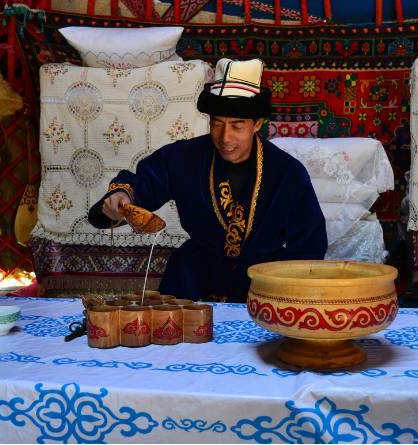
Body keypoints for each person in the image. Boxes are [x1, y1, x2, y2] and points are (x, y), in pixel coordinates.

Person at [88, 58, 327, 302]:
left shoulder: (288, 172)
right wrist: (123, 197)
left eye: (237, 126)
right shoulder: (184, 157)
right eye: (217, 124)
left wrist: (289, 297)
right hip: (194, 276)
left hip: (262, 284)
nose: (225, 137)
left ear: (257, 124)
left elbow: (309, 247)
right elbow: (145, 183)